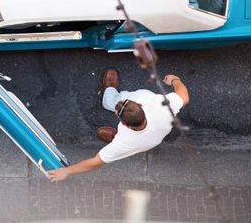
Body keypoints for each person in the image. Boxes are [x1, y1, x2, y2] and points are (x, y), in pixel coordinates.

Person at [47, 68, 189, 182]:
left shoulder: (125, 141)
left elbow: (96, 162)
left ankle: (110, 90)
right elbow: (184, 96)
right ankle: (114, 136)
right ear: (140, 106)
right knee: (124, 143)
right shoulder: (163, 107)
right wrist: (175, 80)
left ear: (125, 125)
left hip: (134, 142)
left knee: (110, 102)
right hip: (150, 141)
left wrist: (66, 171)